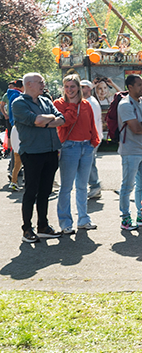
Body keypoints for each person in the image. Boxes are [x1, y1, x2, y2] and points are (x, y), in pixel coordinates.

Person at [11, 73, 66, 243]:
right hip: (32, 153)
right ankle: (27, 229)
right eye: (40, 82)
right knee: (31, 192)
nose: (44, 84)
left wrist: (44, 121)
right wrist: (48, 119)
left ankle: (43, 226)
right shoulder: (19, 103)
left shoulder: (46, 101)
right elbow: (37, 120)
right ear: (29, 84)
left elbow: (62, 119)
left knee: (45, 191)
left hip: (50, 152)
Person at [53, 74, 101, 233]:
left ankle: (83, 219)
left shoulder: (86, 104)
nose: (69, 90)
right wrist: (73, 105)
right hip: (69, 147)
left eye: (72, 86)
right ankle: (65, 222)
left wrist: (94, 142)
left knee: (82, 186)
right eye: (66, 87)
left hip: (86, 147)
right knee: (66, 187)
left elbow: (92, 126)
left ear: (79, 87)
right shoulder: (58, 104)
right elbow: (66, 121)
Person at [117, 74, 142, 230]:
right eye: (139, 85)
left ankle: (141, 215)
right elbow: (136, 128)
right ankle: (125, 217)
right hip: (130, 151)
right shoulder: (125, 104)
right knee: (127, 186)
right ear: (130, 87)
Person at [81, 80, 103, 199]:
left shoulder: (91, 103)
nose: (80, 89)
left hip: (91, 137)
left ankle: (95, 186)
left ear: (89, 89)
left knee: (88, 163)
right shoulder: (88, 101)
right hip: (90, 137)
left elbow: (91, 123)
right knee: (89, 162)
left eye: (83, 87)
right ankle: (94, 186)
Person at [4, 79, 23, 190]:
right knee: (20, 156)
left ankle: (14, 180)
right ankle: (16, 180)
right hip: (19, 127)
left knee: (16, 155)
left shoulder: (11, 95)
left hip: (14, 126)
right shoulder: (18, 96)